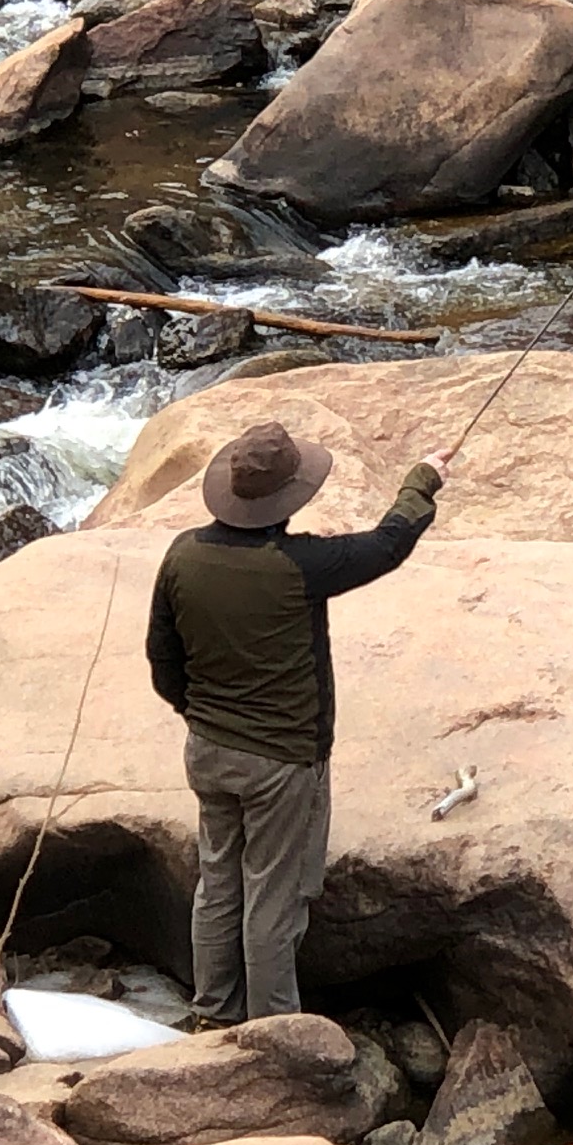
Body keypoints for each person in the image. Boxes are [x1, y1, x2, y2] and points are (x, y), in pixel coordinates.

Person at [145, 420, 450, 1027]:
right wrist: (423, 480)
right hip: (282, 763)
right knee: (273, 897)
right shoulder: (302, 565)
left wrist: (198, 714)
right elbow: (387, 545)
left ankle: (214, 1012)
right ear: (290, 498)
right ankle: (275, 1033)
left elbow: (163, 659)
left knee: (218, 882)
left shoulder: (183, 553)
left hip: (207, 750)